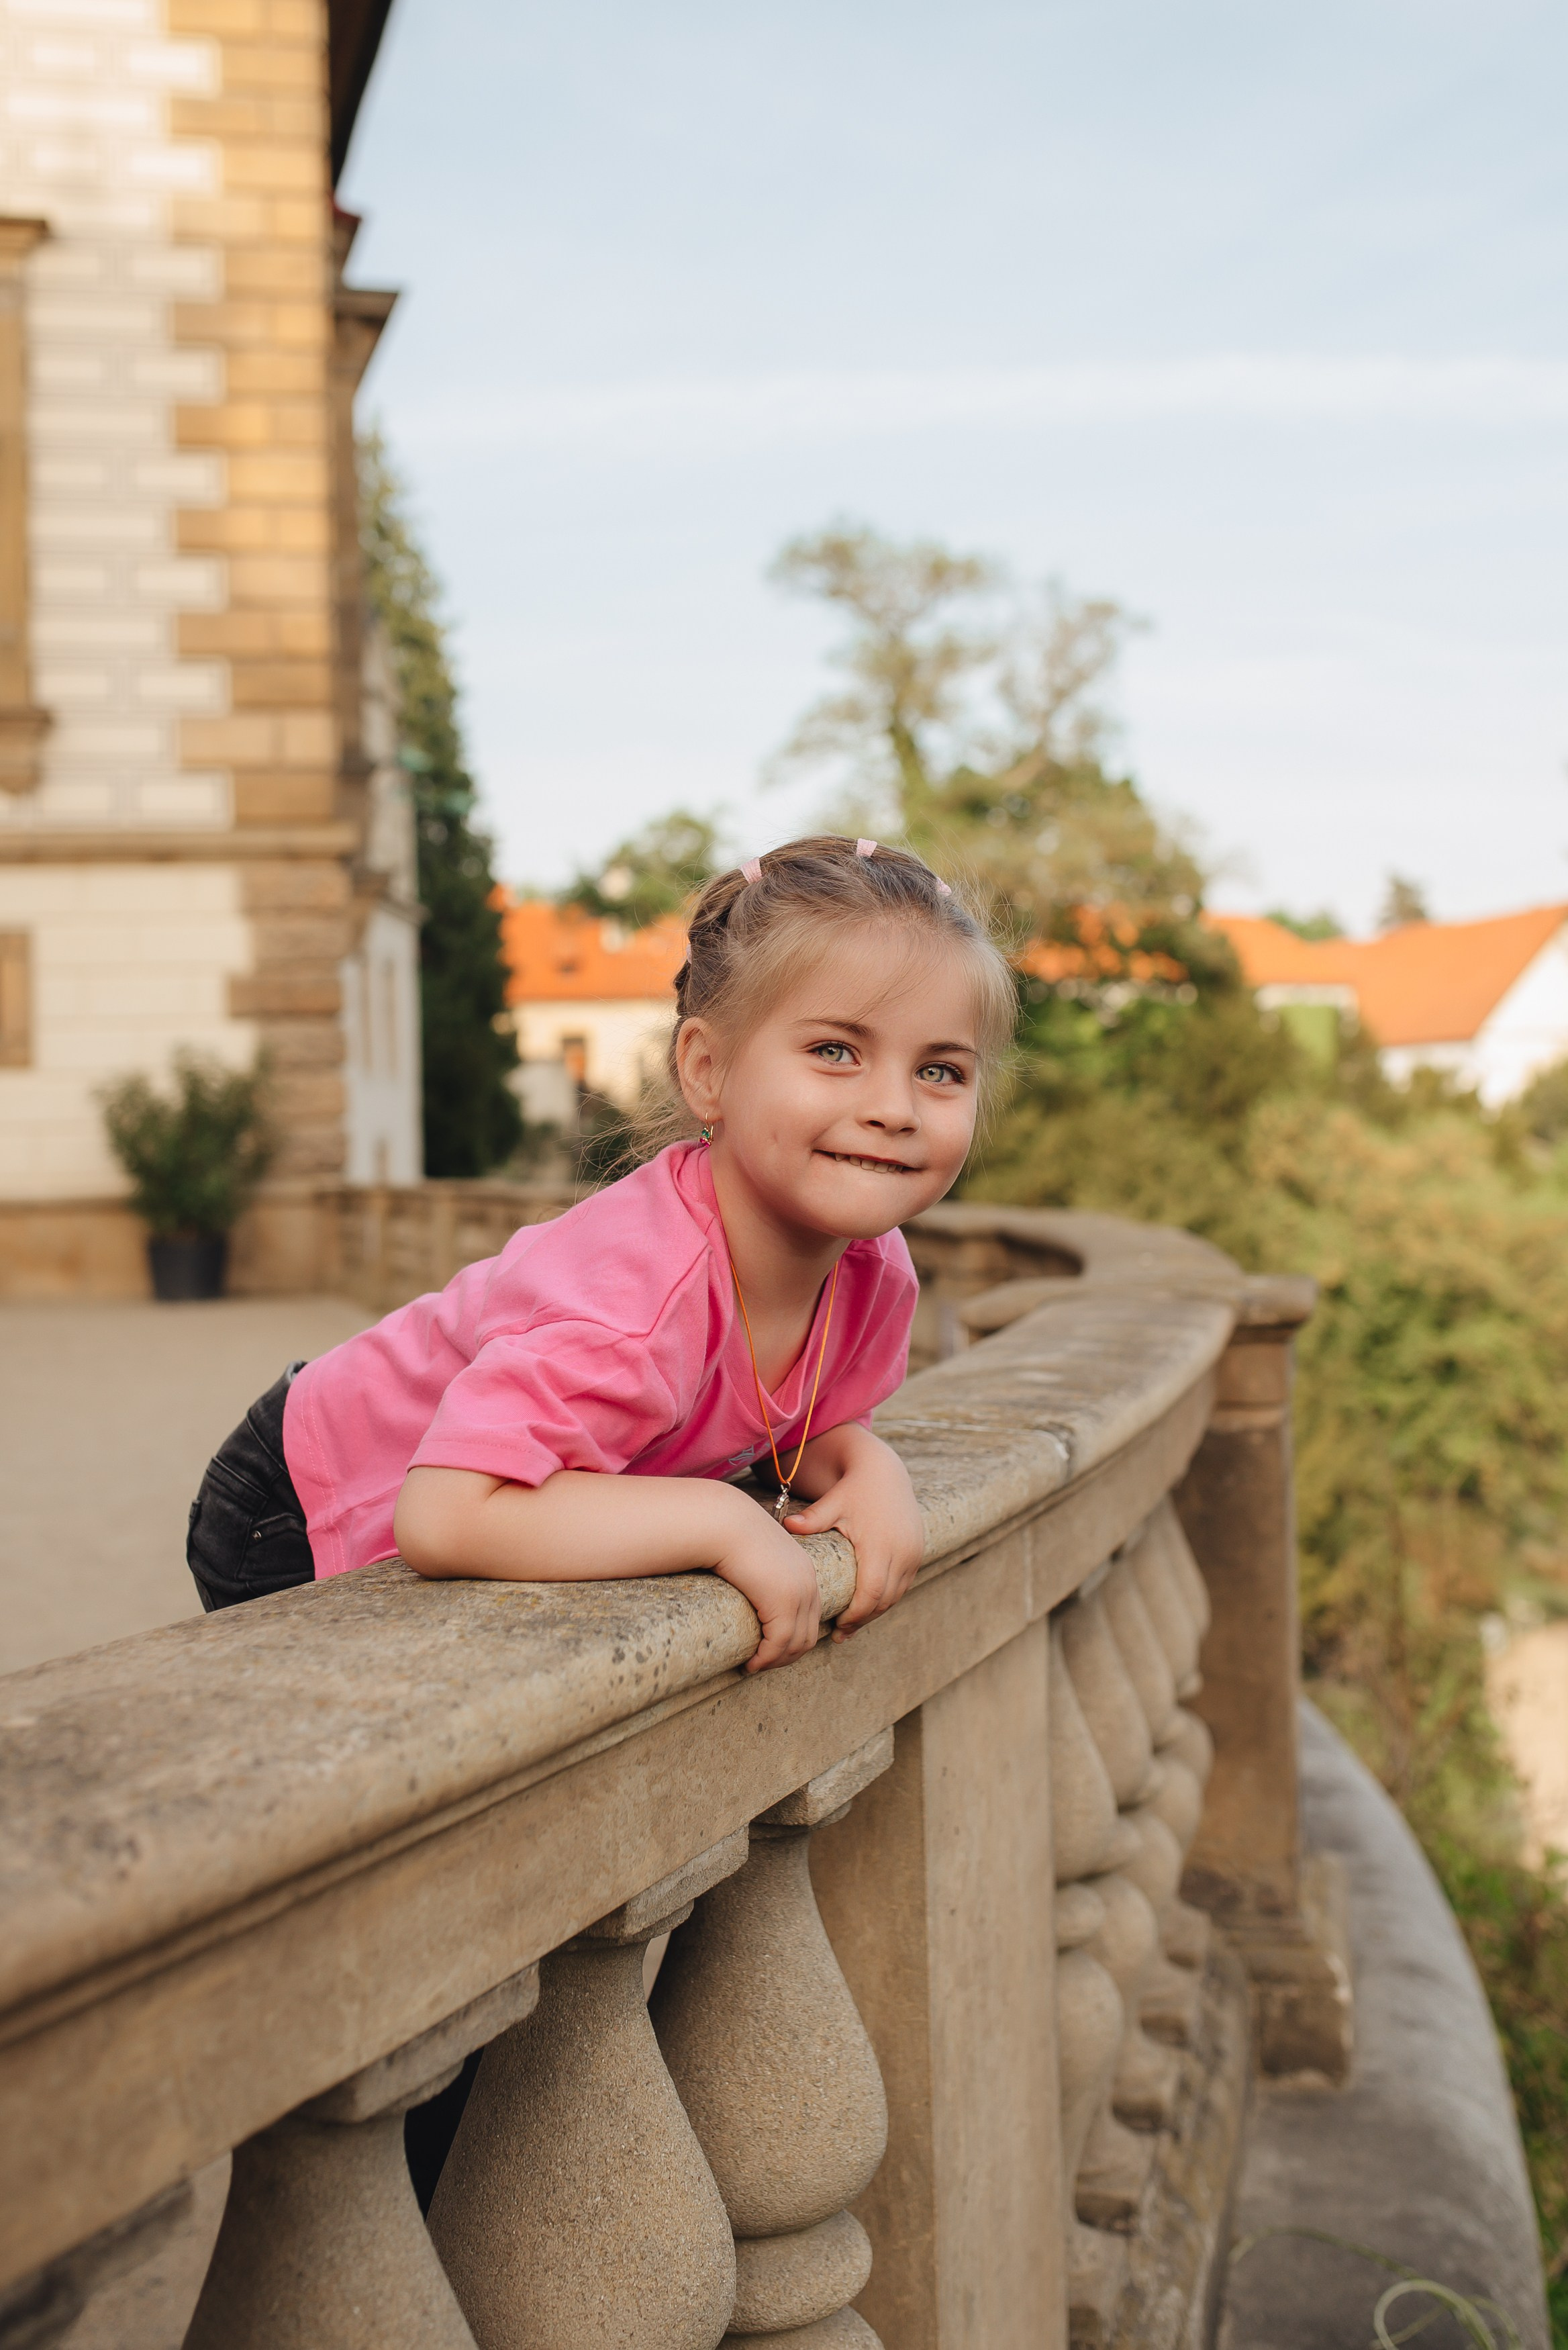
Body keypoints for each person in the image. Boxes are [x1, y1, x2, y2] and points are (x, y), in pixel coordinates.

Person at [186, 834, 1017, 1671]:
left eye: (940, 1070)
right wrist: (718, 1519)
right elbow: (446, 1512)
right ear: (707, 1071)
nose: (894, 1107)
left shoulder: (872, 1270)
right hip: (303, 1490)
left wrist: (867, 1464)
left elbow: (789, 1420)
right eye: (835, 1051)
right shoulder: (646, 1290)